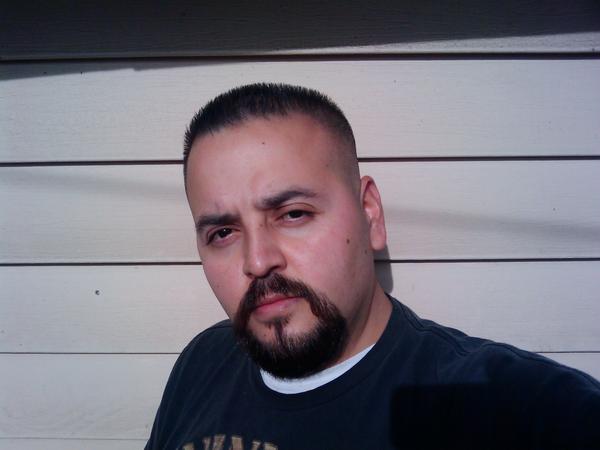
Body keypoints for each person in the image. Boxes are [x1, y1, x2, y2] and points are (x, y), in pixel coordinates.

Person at [146, 83, 600, 450]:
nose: (258, 261)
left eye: (293, 214)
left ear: (371, 215)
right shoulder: (202, 363)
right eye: (223, 233)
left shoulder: (518, 409)